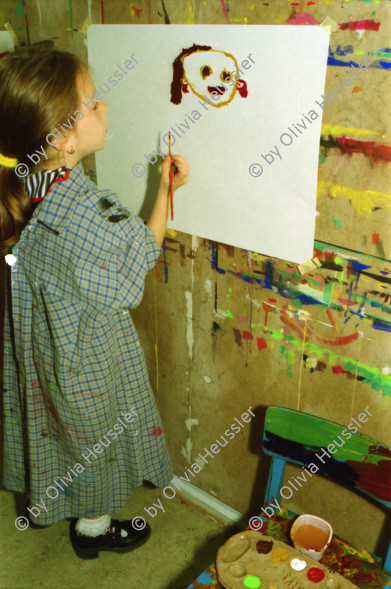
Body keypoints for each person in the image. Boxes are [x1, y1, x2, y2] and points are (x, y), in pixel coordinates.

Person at [0, 48, 189, 559]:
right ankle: (93, 528)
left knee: (61, 433)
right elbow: (139, 259)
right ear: (61, 139)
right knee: (95, 442)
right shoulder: (89, 212)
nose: (105, 109)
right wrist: (164, 190)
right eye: (94, 103)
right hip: (82, 356)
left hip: (42, 344)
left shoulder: (24, 182)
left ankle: (81, 518)